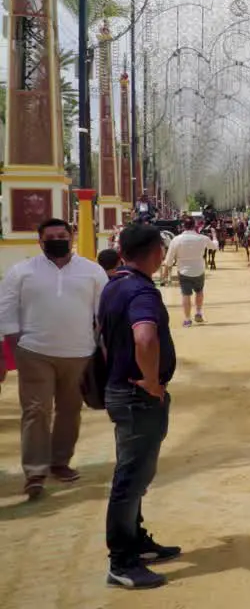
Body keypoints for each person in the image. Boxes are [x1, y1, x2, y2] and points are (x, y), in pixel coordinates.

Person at [0, 218, 108, 500]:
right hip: (34, 352)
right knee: (36, 410)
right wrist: (17, 344)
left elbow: (103, 313)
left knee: (70, 410)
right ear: (40, 241)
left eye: (63, 234)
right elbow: (6, 309)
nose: (57, 239)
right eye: (51, 236)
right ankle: (35, 472)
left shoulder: (92, 271)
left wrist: (101, 346)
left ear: (72, 237)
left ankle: (59, 462)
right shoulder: (21, 271)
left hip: (80, 353)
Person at [98, 223, 181, 589]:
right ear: (157, 253)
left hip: (121, 390)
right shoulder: (142, 292)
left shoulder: (114, 284)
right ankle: (122, 561)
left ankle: (135, 540)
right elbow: (144, 337)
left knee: (136, 474)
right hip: (138, 397)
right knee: (131, 479)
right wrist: (150, 381)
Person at [162, 218, 213, 328]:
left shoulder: (176, 240)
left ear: (183, 226)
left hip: (184, 271)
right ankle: (198, 312)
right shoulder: (202, 238)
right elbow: (214, 246)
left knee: (186, 295)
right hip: (199, 270)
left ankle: (187, 319)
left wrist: (164, 275)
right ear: (194, 226)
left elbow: (169, 259)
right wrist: (215, 236)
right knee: (199, 291)